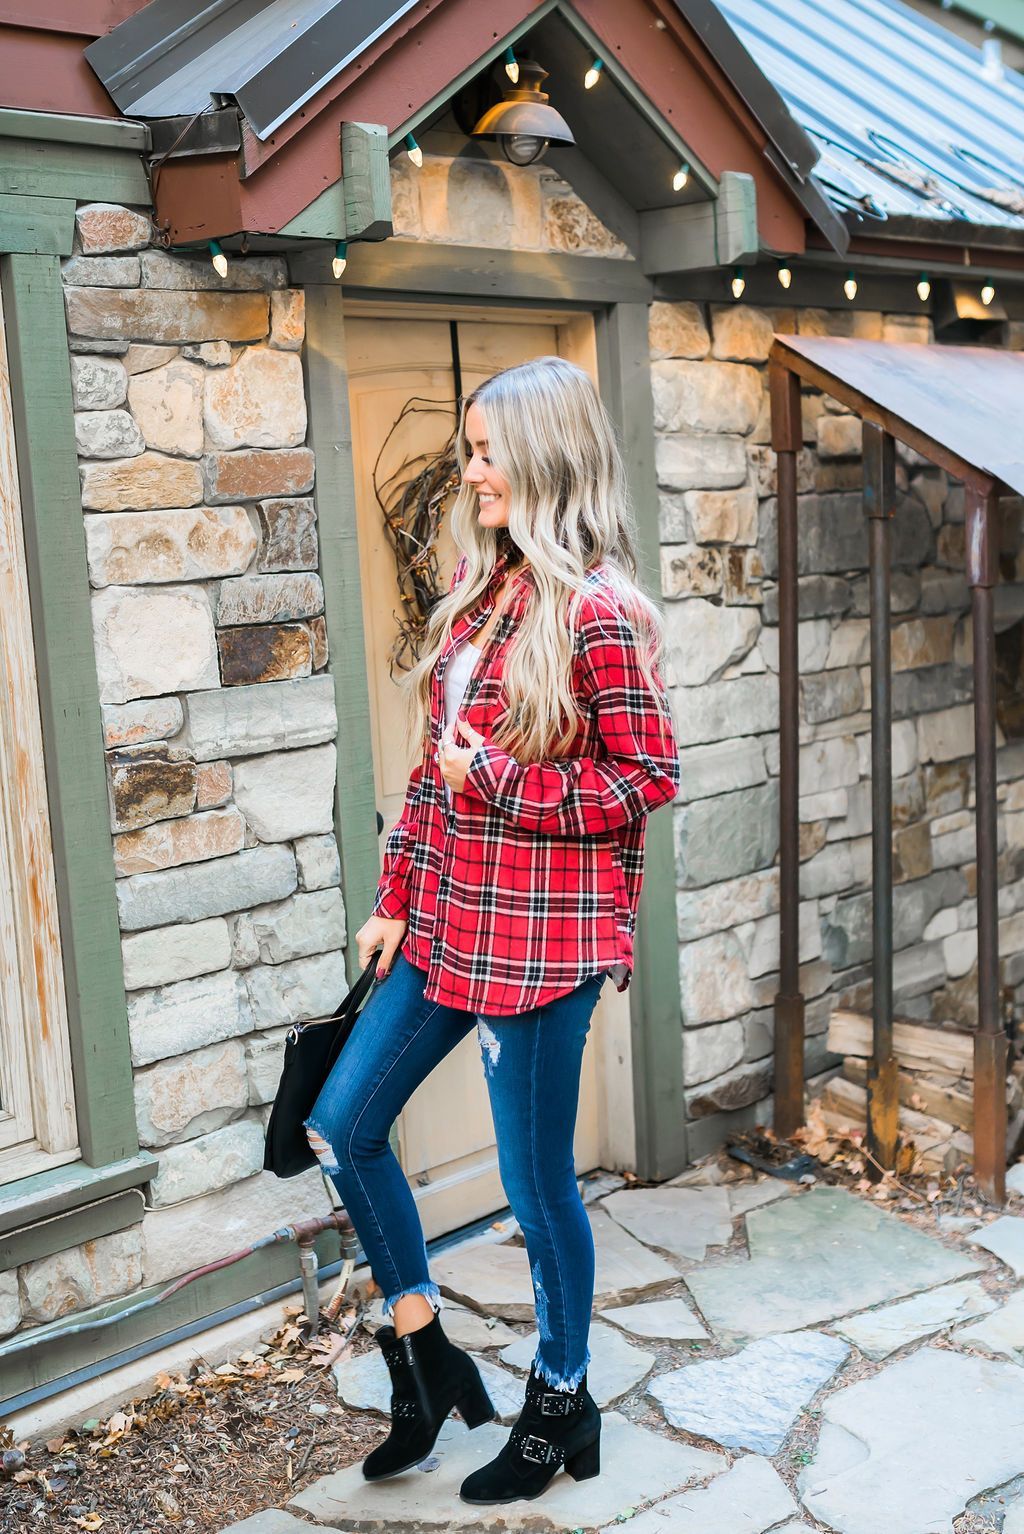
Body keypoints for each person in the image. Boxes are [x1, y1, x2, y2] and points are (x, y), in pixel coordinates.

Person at [305, 355, 680, 1505]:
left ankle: (561, 1401)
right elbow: (436, 771)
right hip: (445, 922)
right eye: (468, 451)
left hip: (541, 946)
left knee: (533, 1185)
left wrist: (508, 783)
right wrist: (392, 895)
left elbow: (645, 779)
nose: (469, 472)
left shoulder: (601, 610)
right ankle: (425, 1357)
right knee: (340, 1125)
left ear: (542, 456)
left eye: (484, 452)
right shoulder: (483, 593)